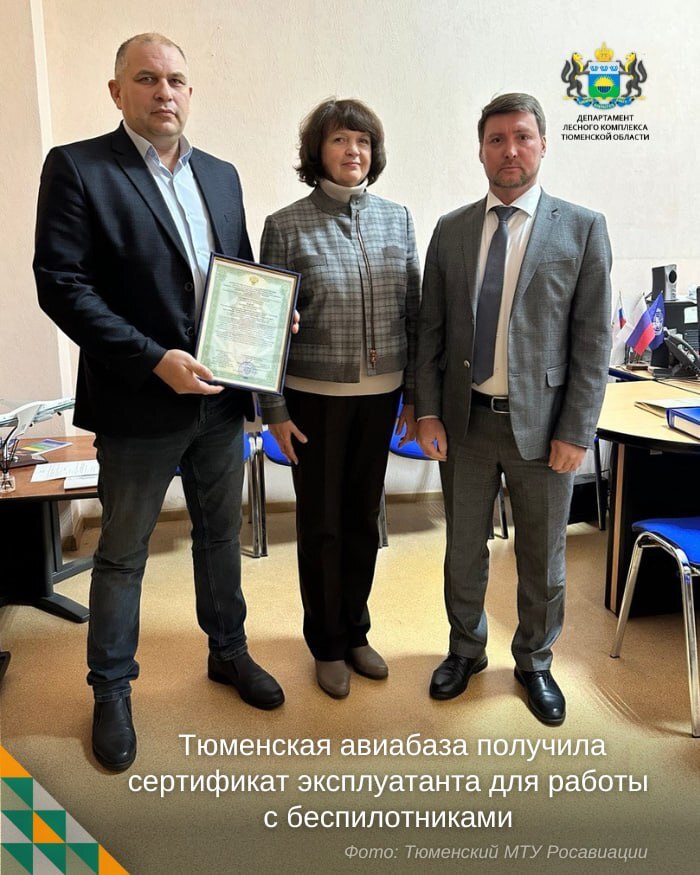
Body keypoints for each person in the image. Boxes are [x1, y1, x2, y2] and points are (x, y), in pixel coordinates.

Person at [34, 33, 285, 772]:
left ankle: (227, 651)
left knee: (220, 537)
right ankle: (111, 688)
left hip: (219, 402)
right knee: (123, 555)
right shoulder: (79, 167)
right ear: (117, 92)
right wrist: (152, 360)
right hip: (138, 403)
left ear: (189, 92)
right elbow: (62, 285)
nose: (163, 92)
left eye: (175, 79)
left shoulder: (221, 174)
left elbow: (236, 273)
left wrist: (270, 317)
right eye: (146, 79)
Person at [415, 93, 612, 725]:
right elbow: (431, 330)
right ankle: (465, 650)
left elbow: (593, 341)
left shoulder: (582, 227)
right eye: (496, 139)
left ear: (543, 144)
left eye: (523, 136)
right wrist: (426, 412)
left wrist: (577, 430)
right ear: (480, 149)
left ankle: (534, 661)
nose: (510, 150)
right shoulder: (451, 230)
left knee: (543, 558)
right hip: (466, 422)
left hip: (546, 429)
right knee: (462, 550)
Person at [258, 98, 420, 698]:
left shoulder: (398, 219)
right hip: (313, 400)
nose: (353, 151)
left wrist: (415, 398)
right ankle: (325, 643)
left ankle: (356, 631)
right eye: (339, 140)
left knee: (361, 521)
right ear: (317, 151)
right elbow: (268, 328)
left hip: (382, 397)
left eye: (363, 141)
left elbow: (415, 312)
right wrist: (273, 411)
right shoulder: (285, 225)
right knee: (322, 524)